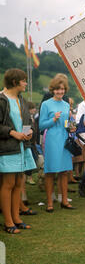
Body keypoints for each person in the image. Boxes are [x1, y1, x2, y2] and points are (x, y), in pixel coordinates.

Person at [0, 68, 36, 234]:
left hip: (22, 148)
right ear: (15, 82)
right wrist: (13, 133)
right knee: (8, 184)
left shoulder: (21, 100)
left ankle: (17, 218)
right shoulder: (1, 99)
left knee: (18, 183)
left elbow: (27, 121)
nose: (26, 83)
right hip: (8, 149)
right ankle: (8, 222)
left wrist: (29, 132)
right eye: (23, 80)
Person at [39, 73, 76, 212]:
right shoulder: (46, 104)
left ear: (65, 90)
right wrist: (53, 120)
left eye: (62, 89)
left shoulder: (66, 105)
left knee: (64, 171)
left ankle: (64, 201)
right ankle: (49, 203)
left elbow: (68, 123)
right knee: (50, 172)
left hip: (65, 139)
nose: (60, 92)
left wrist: (71, 127)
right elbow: (41, 125)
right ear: (52, 90)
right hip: (52, 140)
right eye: (57, 89)